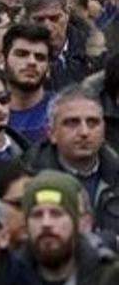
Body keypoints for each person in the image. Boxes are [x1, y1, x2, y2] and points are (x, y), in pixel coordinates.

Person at [21, 86, 119, 232]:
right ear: (51, 133)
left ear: (104, 131)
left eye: (93, 122)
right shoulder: (26, 178)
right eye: (72, 123)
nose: (84, 132)